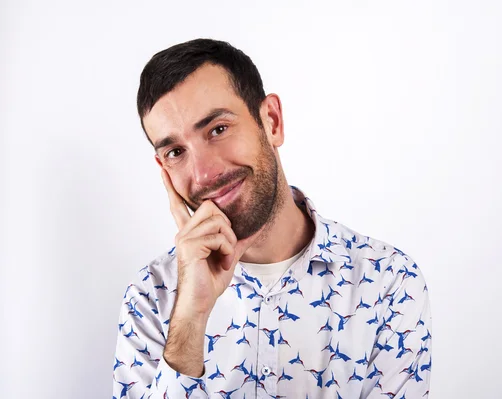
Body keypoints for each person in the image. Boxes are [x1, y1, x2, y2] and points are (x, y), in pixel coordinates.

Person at [112, 38, 432, 399]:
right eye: (175, 152)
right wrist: (190, 317)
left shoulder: (387, 280)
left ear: (272, 121)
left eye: (218, 129)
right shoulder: (150, 297)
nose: (202, 174)